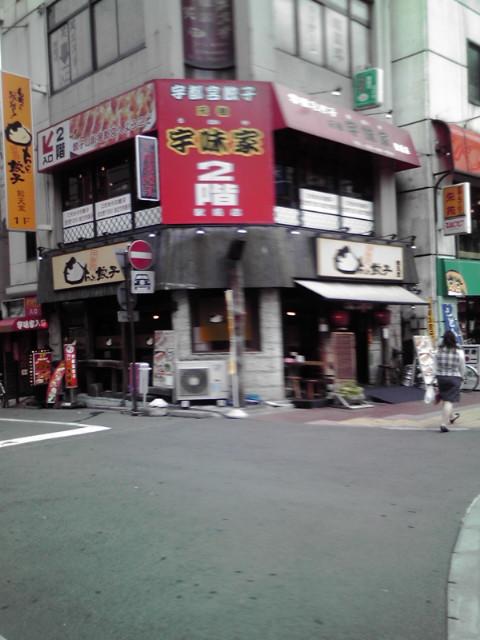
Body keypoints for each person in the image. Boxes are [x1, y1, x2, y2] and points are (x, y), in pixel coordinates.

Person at [435, 330, 465, 433]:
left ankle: (452, 417)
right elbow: (462, 366)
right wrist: (462, 377)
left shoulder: (438, 351)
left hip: (441, 377)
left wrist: (434, 378)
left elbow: (435, 365)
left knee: (445, 398)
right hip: (454, 377)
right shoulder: (459, 351)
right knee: (449, 401)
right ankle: (443, 424)